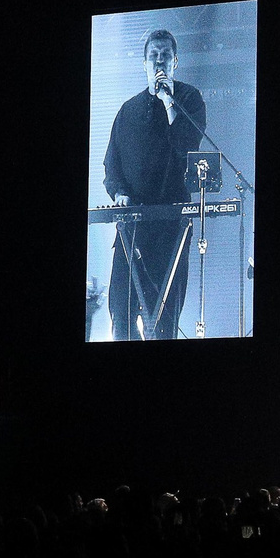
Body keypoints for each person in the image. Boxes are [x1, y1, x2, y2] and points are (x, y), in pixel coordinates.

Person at [102, 28, 206, 340]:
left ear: (176, 61)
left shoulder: (189, 98)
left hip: (172, 224)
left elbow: (187, 146)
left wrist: (168, 101)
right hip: (133, 225)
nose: (159, 61)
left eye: (165, 55)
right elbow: (112, 163)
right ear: (145, 63)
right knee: (121, 309)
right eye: (153, 56)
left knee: (166, 313)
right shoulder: (128, 110)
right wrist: (118, 192)